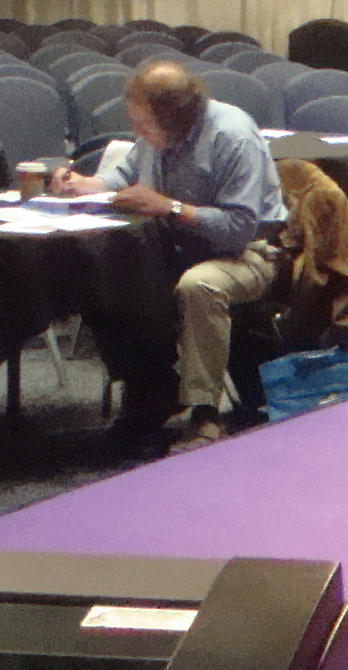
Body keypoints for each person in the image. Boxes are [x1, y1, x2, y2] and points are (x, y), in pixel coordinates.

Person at [52, 57, 291, 453]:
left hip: (248, 253)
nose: (138, 133)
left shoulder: (232, 136)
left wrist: (171, 207)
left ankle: (205, 412)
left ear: (177, 117)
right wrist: (87, 184)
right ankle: (152, 387)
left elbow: (240, 227)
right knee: (99, 271)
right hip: (176, 246)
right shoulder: (156, 134)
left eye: (144, 125)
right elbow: (125, 173)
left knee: (199, 286)